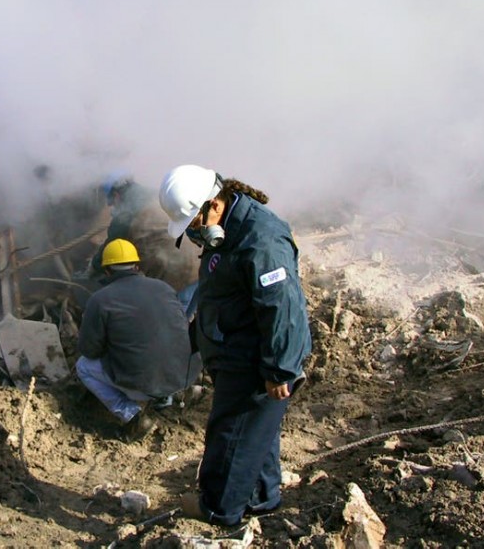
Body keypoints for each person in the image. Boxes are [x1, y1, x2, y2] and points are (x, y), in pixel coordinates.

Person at [158, 164, 312, 526]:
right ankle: (261, 498)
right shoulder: (227, 231)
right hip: (235, 346)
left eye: (193, 224)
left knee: (231, 432)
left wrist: (279, 369)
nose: (193, 234)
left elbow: (282, 306)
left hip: (255, 357)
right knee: (257, 432)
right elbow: (224, 292)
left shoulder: (261, 239)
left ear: (213, 205)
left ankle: (219, 508)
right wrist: (200, 335)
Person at [76, 238, 202, 442]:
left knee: (83, 366)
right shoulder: (163, 287)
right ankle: (178, 393)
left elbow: (89, 350)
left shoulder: (100, 299)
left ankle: (132, 415)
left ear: (107, 271)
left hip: (144, 383)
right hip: (185, 373)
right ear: (136, 265)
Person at [86, 172, 198, 297]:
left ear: (116, 196)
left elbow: (110, 246)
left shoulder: (125, 217)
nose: (112, 207)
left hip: (176, 273)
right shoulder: (157, 196)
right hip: (198, 267)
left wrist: (92, 268)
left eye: (112, 203)